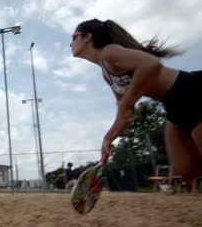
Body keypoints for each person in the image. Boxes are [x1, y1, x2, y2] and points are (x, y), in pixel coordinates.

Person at [70, 18, 202, 182]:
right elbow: (126, 113)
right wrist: (108, 138)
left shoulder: (109, 52)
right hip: (173, 105)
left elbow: (151, 64)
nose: (70, 44)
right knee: (187, 169)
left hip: (191, 92)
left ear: (87, 37)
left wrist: (128, 101)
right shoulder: (106, 73)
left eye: (73, 37)